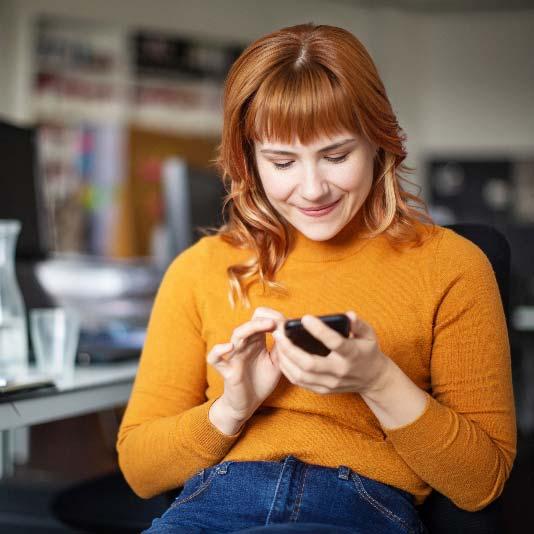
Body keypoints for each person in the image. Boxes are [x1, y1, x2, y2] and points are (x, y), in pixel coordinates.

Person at [116, 23, 516, 534]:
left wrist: (377, 380)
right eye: (282, 161)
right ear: (250, 161)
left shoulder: (453, 266)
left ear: (379, 141)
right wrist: (233, 406)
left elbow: (482, 482)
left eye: (336, 155)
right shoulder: (199, 269)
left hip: (358, 507)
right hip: (212, 504)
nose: (312, 188)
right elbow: (140, 471)